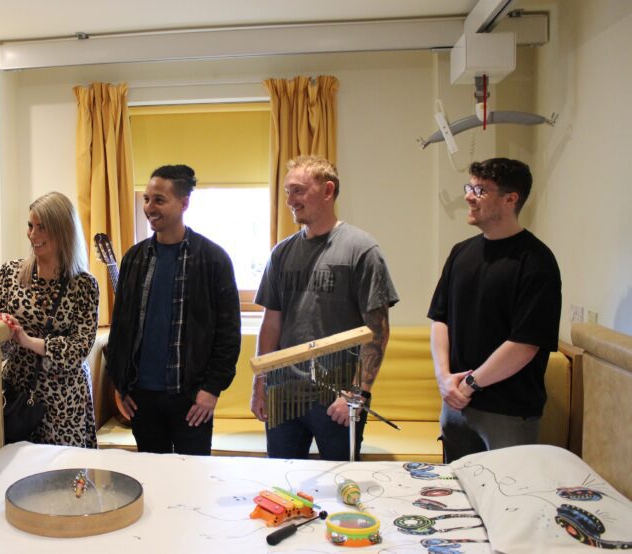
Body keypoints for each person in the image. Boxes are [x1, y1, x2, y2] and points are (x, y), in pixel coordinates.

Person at [250, 155, 399, 461]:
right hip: (284, 396)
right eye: (287, 192)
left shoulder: (361, 249)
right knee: (283, 486)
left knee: (340, 485)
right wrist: (260, 383)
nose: (290, 200)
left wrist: (357, 394)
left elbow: (377, 332)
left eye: (298, 191)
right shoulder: (281, 253)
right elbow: (271, 325)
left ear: (328, 191)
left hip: (337, 400)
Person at [428, 158, 561, 463]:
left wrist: (470, 384)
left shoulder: (536, 261)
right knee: (455, 499)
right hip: (455, 405)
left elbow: (525, 343)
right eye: (469, 187)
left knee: (507, 500)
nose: (468, 196)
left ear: (510, 198)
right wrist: (444, 378)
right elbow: (440, 319)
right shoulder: (461, 253)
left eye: (480, 190)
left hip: (509, 413)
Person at [106, 164, 241, 455]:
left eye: (159, 200)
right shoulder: (135, 258)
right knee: (152, 481)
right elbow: (121, 327)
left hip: (192, 399)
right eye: (146, 199)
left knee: (192, 483)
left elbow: (228, 334)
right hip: (141, 398)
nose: (150, 207)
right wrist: (121, 384)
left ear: (184, 203)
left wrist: (212, 390)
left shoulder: (213, 260)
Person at [0, 191, 99, 448]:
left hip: (64, 400)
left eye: (42, 227)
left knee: (61, 476)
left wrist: (27, 340)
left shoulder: (84, 285)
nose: (32, 235)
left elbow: (79, 348)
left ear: (63, 231)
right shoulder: (9, 273)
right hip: (17, 393)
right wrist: (1, 329)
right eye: (30, 225)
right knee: (15, 472)